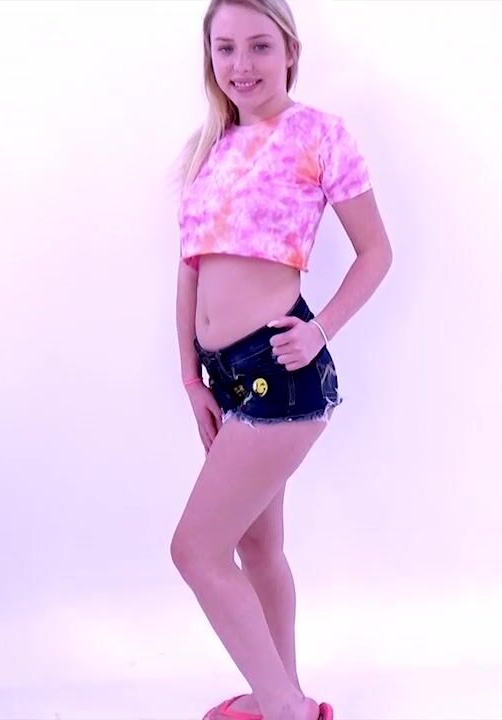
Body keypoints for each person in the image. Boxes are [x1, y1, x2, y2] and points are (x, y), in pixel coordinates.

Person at [168, 1, 392, 719]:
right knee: (258, 548)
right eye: (226, 48)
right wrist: (190, 377)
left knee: (196, 551)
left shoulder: (319, 134)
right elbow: (191, 270)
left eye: (260, 46)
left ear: (290, 51)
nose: (242, 65)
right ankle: (283, 697)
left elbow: (376, 252)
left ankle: (286, 709)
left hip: (280, 372)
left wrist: (321, 330)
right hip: (224, 379)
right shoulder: (210, 148)